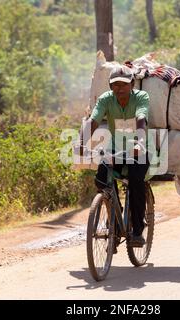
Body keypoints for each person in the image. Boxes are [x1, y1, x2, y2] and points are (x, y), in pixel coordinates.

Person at [79, 65, 150, 247]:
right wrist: (82, 142)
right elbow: (93, 120)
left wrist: (139, 143)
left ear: (132, 84)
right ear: (110, 86)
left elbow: (141, 119)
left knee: (136, 181)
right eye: (115, 84)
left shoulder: (141, 97)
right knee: (101, 181)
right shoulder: (105, 99)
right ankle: (115, 223)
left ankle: (136, 230)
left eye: (124, 84)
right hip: (114, 150)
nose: (119, 88)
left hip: (138, 150)